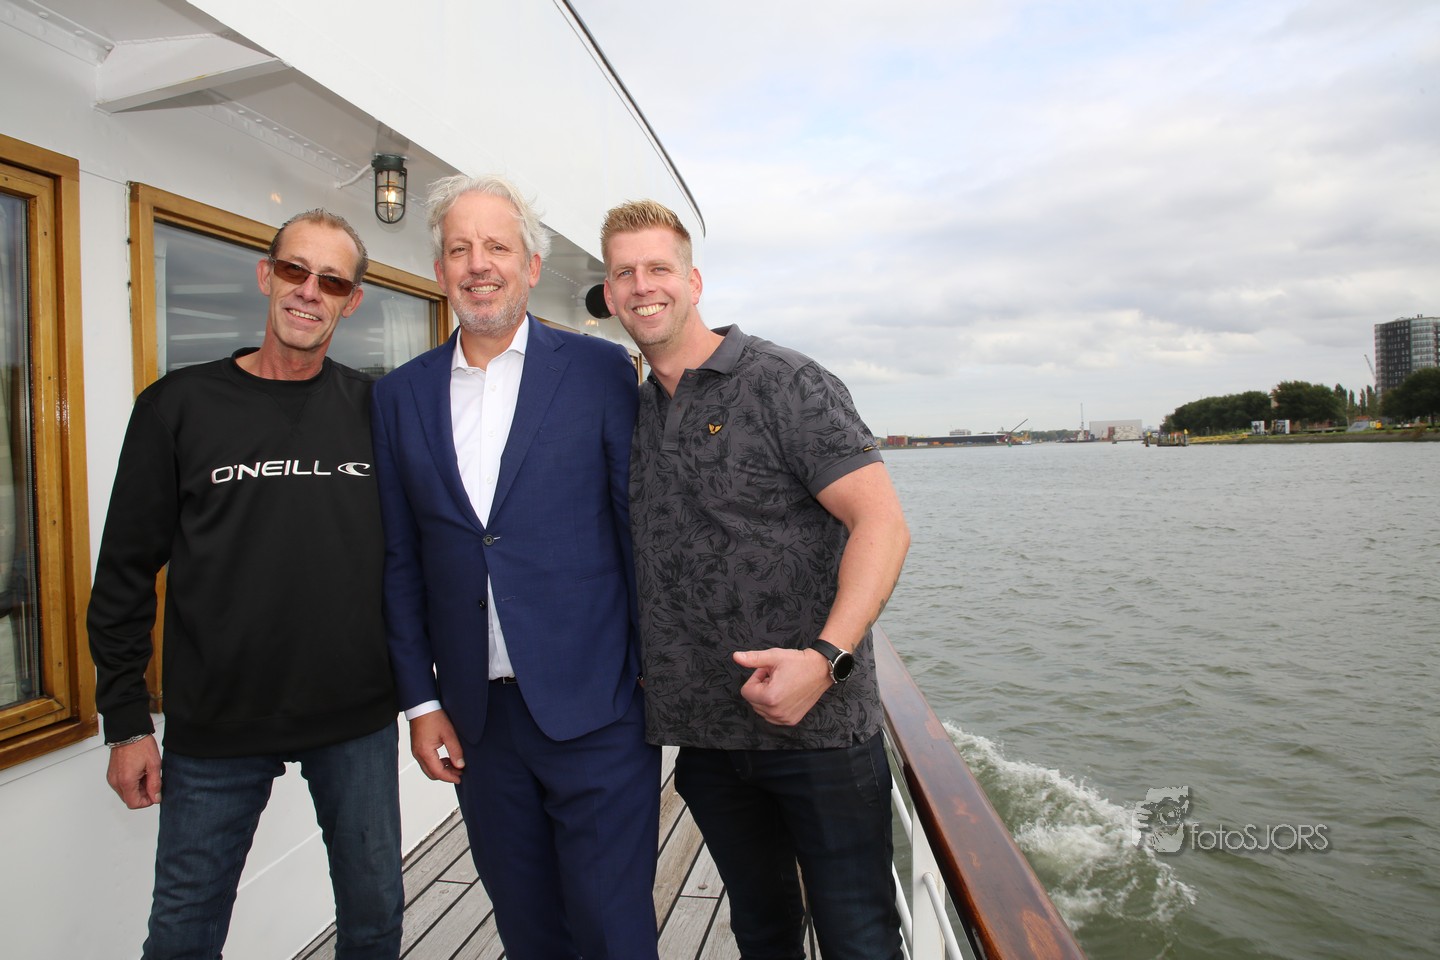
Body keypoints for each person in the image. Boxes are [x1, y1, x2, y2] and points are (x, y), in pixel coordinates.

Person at [87, 209, 404, 959]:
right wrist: (126, 721)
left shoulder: (376, 411)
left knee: (375, 919)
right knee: (183, 933)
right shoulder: (177, 406)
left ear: (352, 300)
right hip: (216, 722)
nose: (309, 292)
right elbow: (125, 571)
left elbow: (418, 558)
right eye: (294, 270)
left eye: (332, 281)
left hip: (354, 717)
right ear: (266, 276)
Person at [601, 198, 912, 960]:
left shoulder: (784, 381)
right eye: (624, 273)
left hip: (821, 733)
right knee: (763, 933)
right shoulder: (635, 412)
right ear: (608, 294)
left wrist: (827, 660)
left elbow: (882, 525)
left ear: (693, 281)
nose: (643, 286)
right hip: (709, 744)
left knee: (860, 942)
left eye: (658, 268)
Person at [371, 174, 659, 960]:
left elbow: (636, 531)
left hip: (599, 710)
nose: (478, 264)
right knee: (527, 930)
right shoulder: (398, 398)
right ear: (439, 270)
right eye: (460, 249)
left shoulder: (601, 372)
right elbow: (401, 561)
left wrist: (649, 673)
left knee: (614, 931)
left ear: (531, 266)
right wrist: (421, 702)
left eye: (497, 246)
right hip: (478, 724)